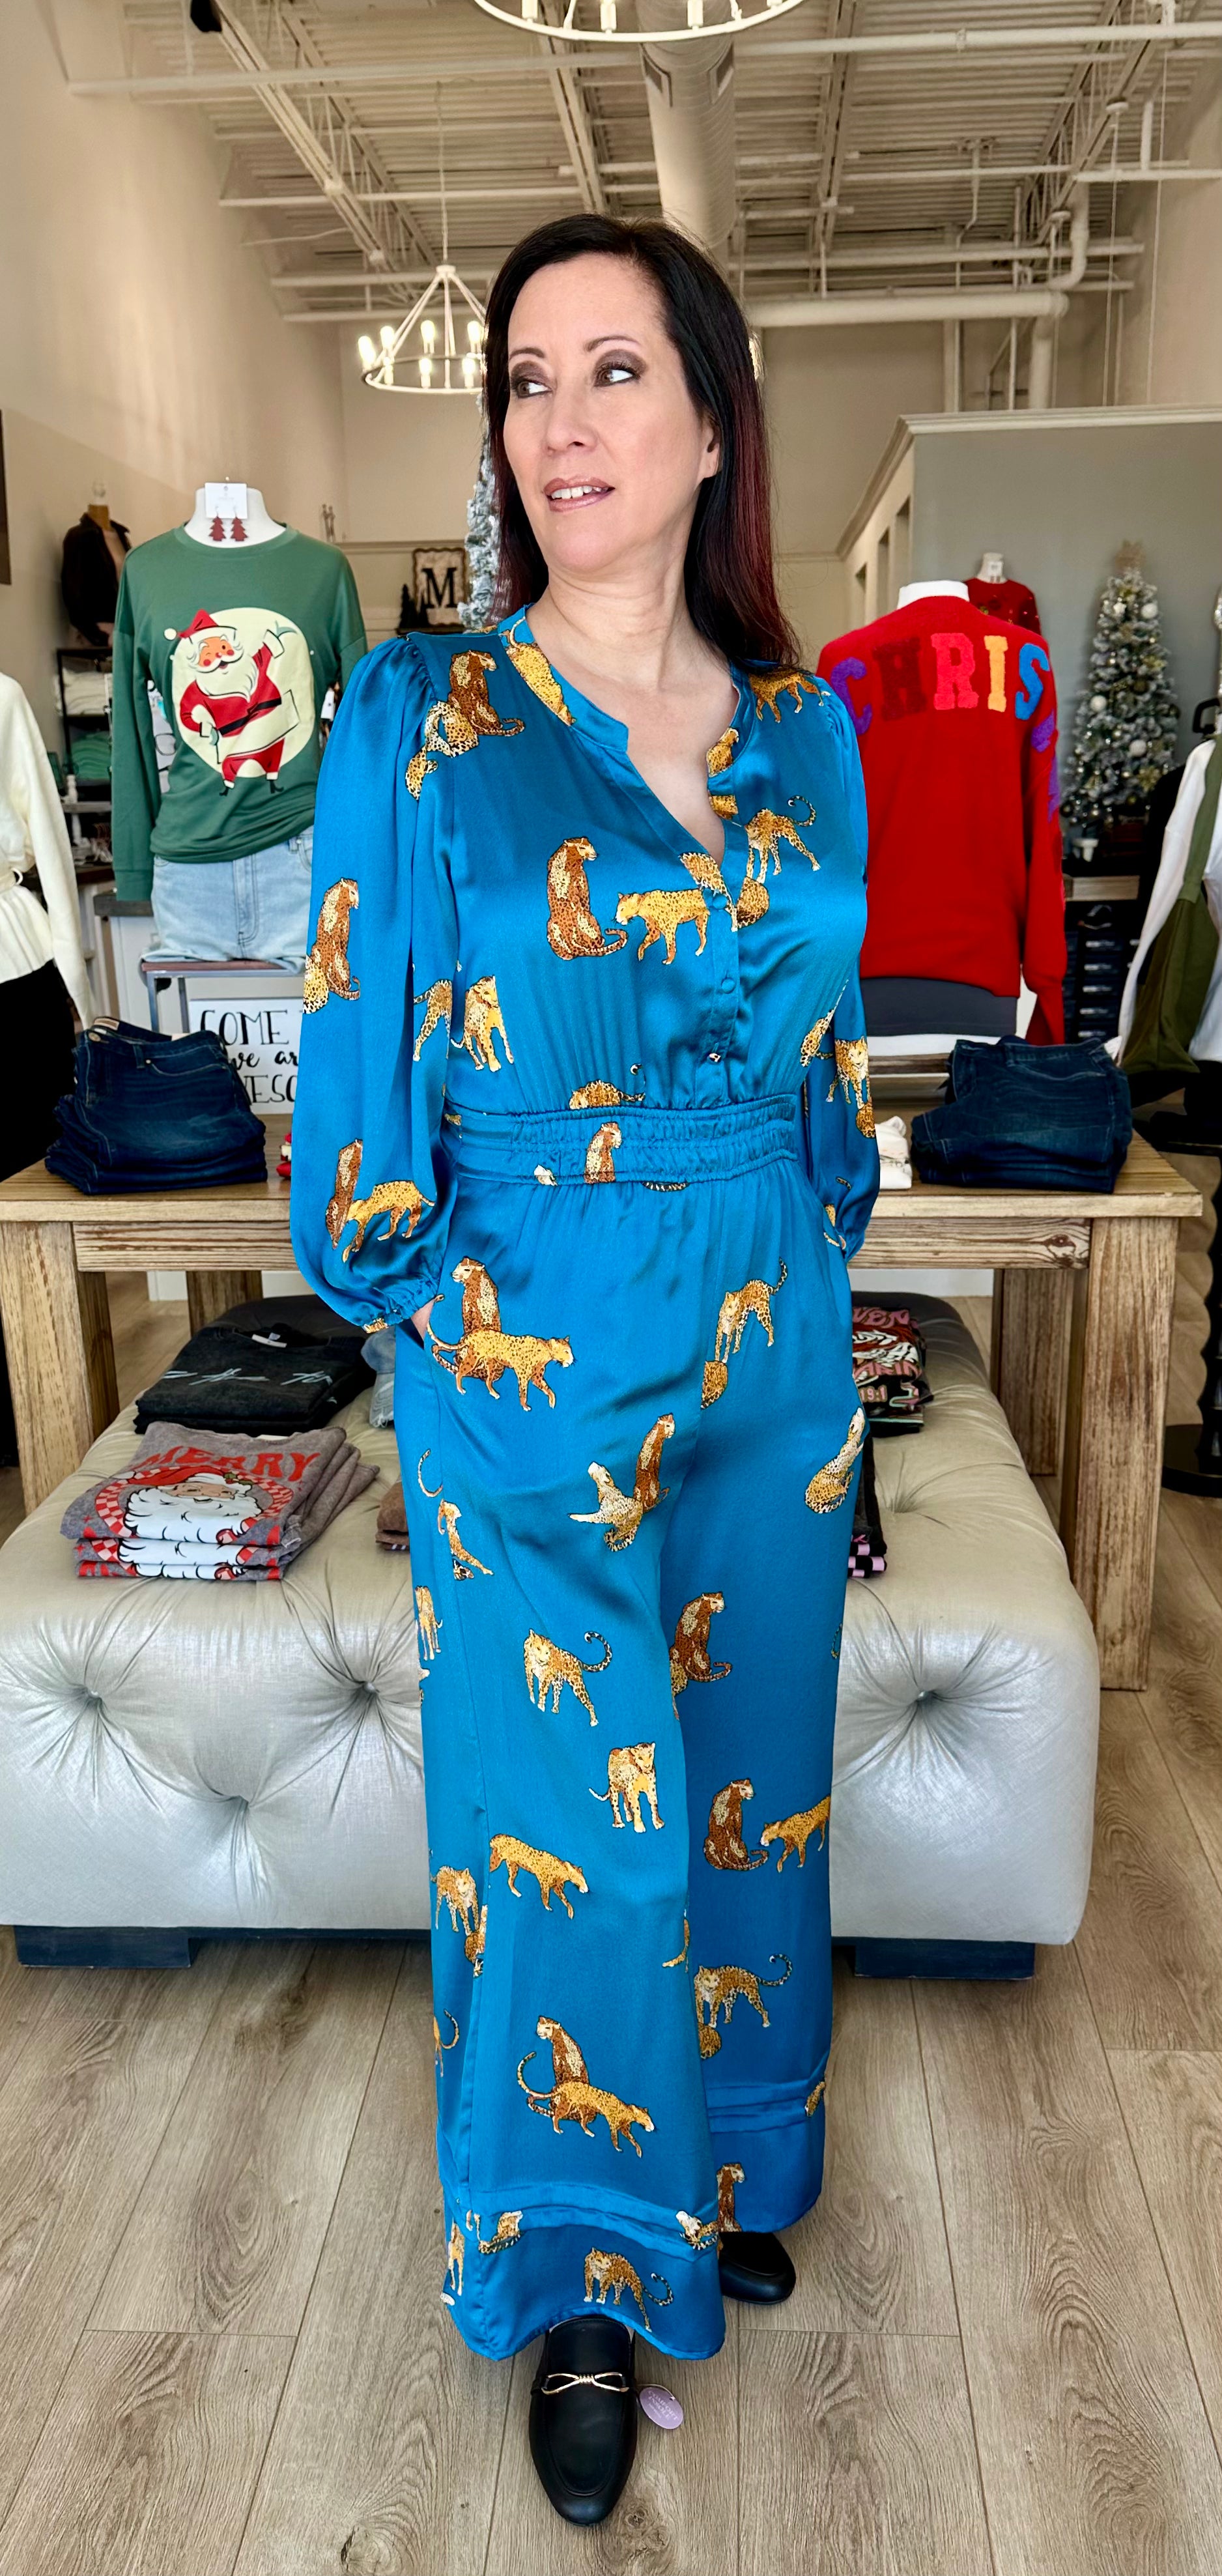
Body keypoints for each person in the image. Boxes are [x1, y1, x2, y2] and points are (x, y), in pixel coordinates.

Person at [291, 213, 879, 2527]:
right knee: (569, 1835)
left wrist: (816, 1260)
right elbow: (356, 1053)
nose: (559, 422)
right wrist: (420, 1303)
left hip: (768, 1324)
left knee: (747, 1777)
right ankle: (580, 2275)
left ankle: (720, 2163)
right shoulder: (420, 716)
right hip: (530, 1324)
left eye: (613, 370)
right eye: (526, 380)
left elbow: (830, 1066)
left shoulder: (810, 732)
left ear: (714, 422)